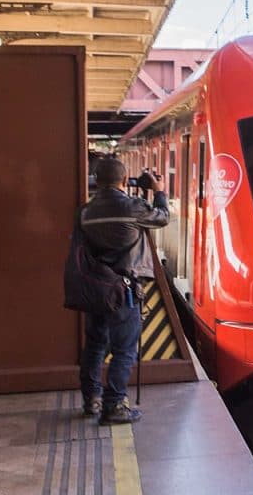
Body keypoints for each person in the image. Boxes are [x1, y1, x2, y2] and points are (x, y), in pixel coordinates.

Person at [78, 158, 169, 424]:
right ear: (124, 178)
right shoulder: (132, 208)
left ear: (97, 179)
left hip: (95, 288)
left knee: (95, 346)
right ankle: (114, 405)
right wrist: (159, 191)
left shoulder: (85, 212)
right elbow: (162, 218)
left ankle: (91, 400)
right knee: (124, 349)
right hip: (124, 289)